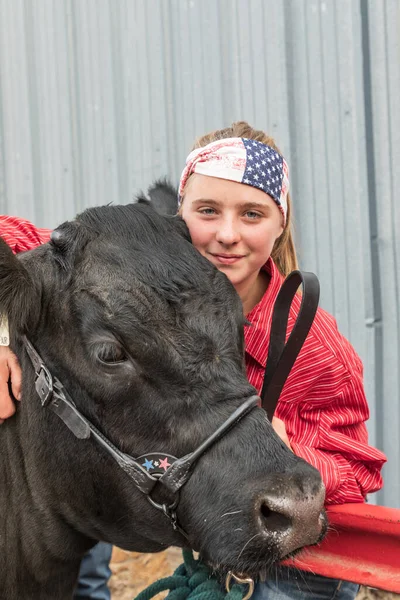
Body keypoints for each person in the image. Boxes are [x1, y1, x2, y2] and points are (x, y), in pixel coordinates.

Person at [0, 121, 386, 600]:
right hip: (188, 509)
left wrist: (298, 452)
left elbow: (359, 468)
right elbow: (20, 247)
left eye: (252, 214)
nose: (227, 234)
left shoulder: (314, 343)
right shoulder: (138, 281)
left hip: (293, 561)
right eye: (208, 211)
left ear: (280, 222)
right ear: (177, 217)